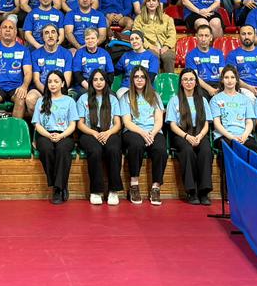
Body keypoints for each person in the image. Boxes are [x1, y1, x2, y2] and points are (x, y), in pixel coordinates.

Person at [166, 68, 216, 205]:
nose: (188, 82)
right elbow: (172, 125)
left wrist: (200, 136)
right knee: (187, 151)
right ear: (181, 82)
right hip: (181, 134)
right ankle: (191, 191)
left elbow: (206, 123)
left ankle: (204, 192)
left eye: (191, 79)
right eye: (185, 79)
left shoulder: (203, 100)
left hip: (199, 132)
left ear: (196, 82)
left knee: (206, 150)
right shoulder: (174, 100)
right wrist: (187, 136)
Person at [76, 68, 125, 205]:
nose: (98, 82)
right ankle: (96, 191)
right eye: (95, 79)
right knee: (95, 150)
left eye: (101, 79)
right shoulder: (83, 98)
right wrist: (94, 133)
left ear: (106, 81)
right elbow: (80, 124)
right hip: (89, 132)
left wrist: (108, 133)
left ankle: (113, 190)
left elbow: (117, 124)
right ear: (91, 82)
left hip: (109, 131)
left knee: (114, 149)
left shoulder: (113, 99)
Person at [120, 65, 167, 205]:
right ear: (132, 79)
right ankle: (134, 185)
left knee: (160, 149)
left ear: (147, 79)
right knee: (136, 145)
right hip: (133, 131)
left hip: (153, 131)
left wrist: (151, 133)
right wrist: (142, 133)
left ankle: (156, 188)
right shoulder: (126, 97)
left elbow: (159, 120)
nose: (139, 80)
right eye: (136, 77)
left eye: (142, 77)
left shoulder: (155, 96)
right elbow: (127, 122)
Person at [32, 70, 79, 204]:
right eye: (50, 82)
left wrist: (61, 136)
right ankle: (58, 185)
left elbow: (72, 125)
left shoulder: (69, 101)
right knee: (46, 149)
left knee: (62, 150)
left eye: (56, 81)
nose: (52, 84)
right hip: (45, 134)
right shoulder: (41, 101)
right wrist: (49, 135)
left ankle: (59, 188)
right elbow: (37, 124)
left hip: (65, 134)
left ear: (62, 83)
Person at [0, 16, 31, 118]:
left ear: (15, 32)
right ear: (0, 31)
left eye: (11, 28)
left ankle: (14, 127)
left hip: (16, 87)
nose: (8, 30)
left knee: (21, 100)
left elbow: (28, 72)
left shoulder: (24, 50)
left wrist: (24, 86)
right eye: (5, 27)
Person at [27, 24, 72, 113]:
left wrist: (56, 93)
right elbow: (36, 80)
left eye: (53, 32)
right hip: (41, 90)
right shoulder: (35, 54)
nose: (50, 35)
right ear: (43, 37)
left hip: (60, 90)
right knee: (30, 99)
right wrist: (48, 92)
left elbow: (67, 80)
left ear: (58, 36)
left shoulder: (66, 53)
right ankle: (39, 122)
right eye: (46, 33)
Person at [211, 66, 255, 152]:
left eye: (232, 77)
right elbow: (217, 123)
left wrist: (245, 135)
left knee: (253, 148)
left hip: (243, 136)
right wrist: (231, 137)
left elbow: (249, 122)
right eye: (226, 77)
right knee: (231, 148)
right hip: (224, 136)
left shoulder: (245, 99)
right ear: (222, 80)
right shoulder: (215, 99)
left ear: (237, 80)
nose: (229, 80)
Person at [133, 0, 177, 73]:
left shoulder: (167, 18)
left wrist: (166, 46)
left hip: (166, 48)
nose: (151, 3)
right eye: (148, 1)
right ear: (145, 4)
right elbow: (137, 36)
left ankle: (170, 79)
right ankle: (155, 79)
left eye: (154, 0)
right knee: (153, 56)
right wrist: (150, 46)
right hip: (149, 48)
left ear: (158, 3)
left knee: (168, 56)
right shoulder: (139, 19)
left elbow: (172, 35)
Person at [226, 24, 257, 95]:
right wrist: (249, 88)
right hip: (242, 89)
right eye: (243, 34)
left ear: (255, 35)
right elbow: (232, 77)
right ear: (239, 36)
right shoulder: (233, 54)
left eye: (249, 33)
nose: (246, 37)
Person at [183, 24, 225, 96]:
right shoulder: (191, 55)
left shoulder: (218, 53)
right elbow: (194, 77)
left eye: (206, 36)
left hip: (217, 84)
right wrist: (210, 89)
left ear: (211, 37)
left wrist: (220, 88)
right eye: (201, 35)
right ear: (196, 37)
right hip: (201, 85)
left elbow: (222, 73)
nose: (203, 39)